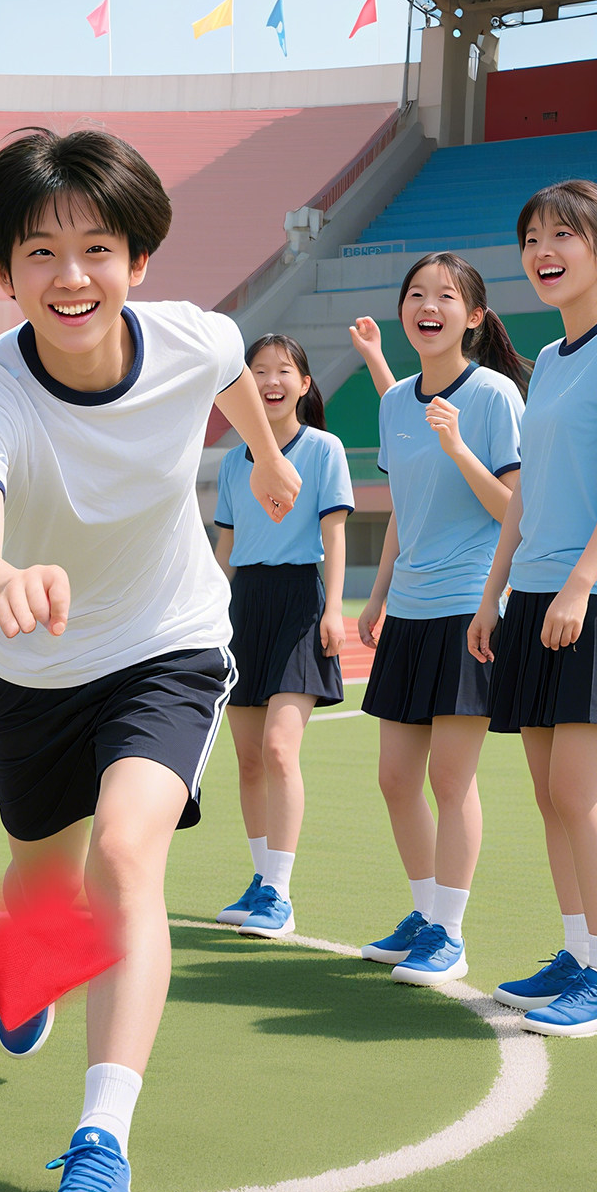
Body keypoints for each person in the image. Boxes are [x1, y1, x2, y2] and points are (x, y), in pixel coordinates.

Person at [0, 127, 302, 1192]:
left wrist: (267, 457)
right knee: (43, 880)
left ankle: (101, 1139)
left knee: (128, 853)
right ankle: (29, 960)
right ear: (3, 272)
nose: (72, 275)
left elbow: (229, 373)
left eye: (98, 248)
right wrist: (3, 577)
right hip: (35, 666)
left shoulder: (194, 335)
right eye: (40, 253)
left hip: (168, 641)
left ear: (138, 259)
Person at [355, 253, 528, 986]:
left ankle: (450, 935)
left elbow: (515, 509)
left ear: (474, 316)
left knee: (451, 779)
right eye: (417, 294)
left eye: (446, 296)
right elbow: (403, 510)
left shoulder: (492, 395)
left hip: (469, 604)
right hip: (410, 606)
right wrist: (377, 593)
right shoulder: (395, 402)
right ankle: (427, 913)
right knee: (397, 779)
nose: (429, 306)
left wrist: (458, 448)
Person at [469, 180, 597, 1036]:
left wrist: (581, 582)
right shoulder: (550, 359)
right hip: (535, 596)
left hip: (592, 598)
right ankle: (580, 951)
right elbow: (524, 493)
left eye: (563, 234)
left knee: (579, 792)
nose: (543, 251)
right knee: (551, 796)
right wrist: (496, 593)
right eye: (530, 238)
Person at [213, 334, 352, 938]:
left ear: (304, 384)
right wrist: (208, 613)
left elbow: (335, 533)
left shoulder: (323, 449)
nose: (271, 381)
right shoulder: (232, 462)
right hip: (243, 607)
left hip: (299, 603)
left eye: (283, 371)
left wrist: (333, 609)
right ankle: (260, 878)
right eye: (259, 371)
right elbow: (225, 548)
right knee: (248, 761)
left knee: (277, 749)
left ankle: (280, 895)